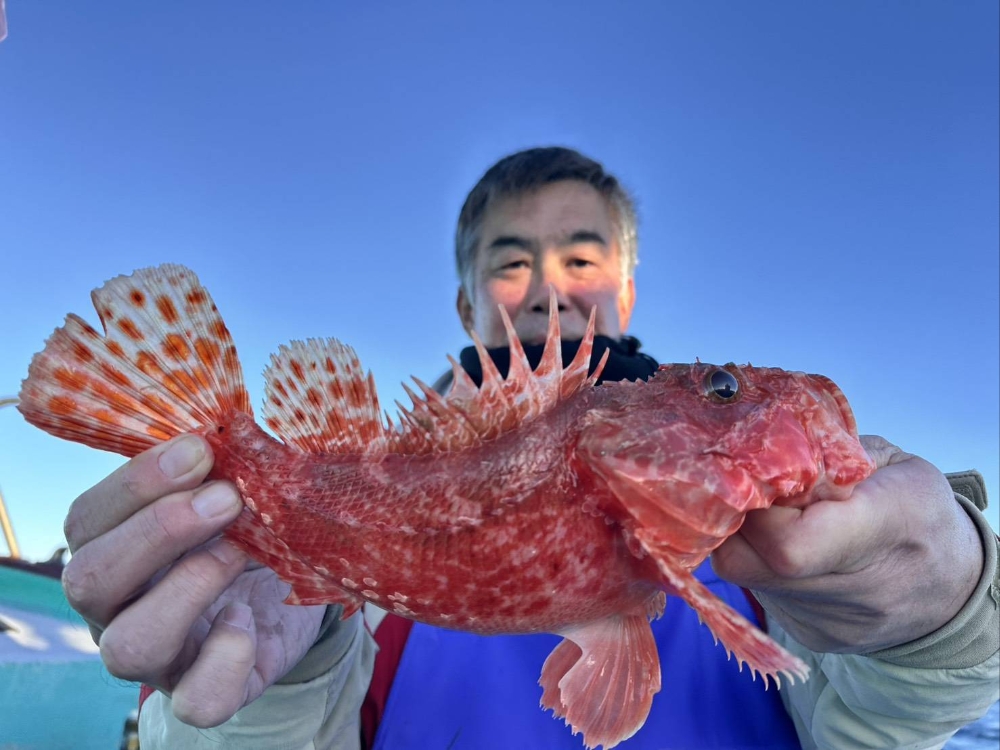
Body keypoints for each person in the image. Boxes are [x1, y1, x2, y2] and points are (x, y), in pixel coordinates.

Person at [60, 148, 998, 749]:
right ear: (465, 304)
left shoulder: (773, 554)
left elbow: (892, 717)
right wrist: (282, 680)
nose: (550, 288)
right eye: (511, 262)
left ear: (625, 291)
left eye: (582, 259)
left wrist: (950, 611)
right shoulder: (359, 551)